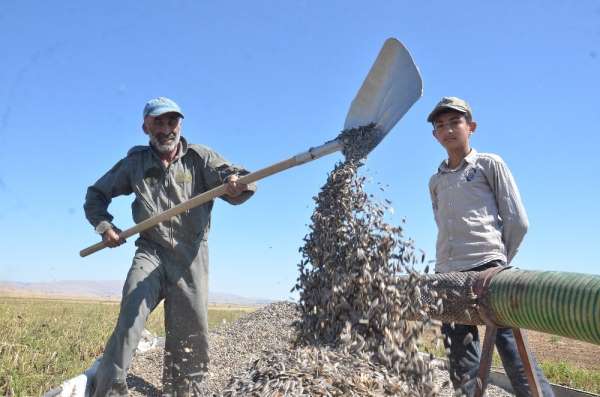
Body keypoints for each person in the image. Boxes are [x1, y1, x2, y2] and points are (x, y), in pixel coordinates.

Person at [83, 97, 256, 396]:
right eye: (158, 122)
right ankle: (110, 388)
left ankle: (183, 392)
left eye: (172, 121)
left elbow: (234, 177)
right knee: (130, 317)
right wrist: (105, 227)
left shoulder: (199, 158)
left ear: (181, 125)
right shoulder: (135, 163)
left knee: (191, 331)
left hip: (191, 256)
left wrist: (236, 182)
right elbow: (96, 195)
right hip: (151, 250)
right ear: (145, 127)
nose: (166, 129)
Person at [427, 97, 554, 396]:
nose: (447, 129)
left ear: (471, 127)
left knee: (512, 350)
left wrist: (499, 262)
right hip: (448, 274)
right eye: (440, 125)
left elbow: (517, 220)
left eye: (455, 122)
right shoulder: (435, 181)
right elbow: (441, 223)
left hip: (488, 270)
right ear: (434, 135)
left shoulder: (489, 164)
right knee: (460, 359)